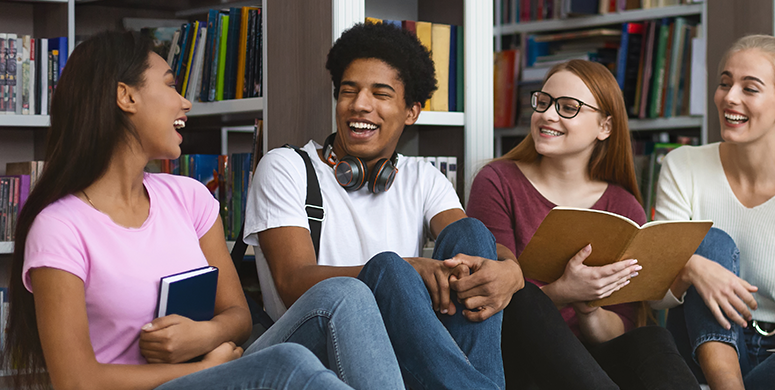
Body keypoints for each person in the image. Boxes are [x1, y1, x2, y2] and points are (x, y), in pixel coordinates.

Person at [1, 30, 404, 390]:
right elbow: (76, 380)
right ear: (126, 97)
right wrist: (198, 371)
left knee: (344, 293)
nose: (186, 102)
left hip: (213, 365)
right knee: (287, 362)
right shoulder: (59, 226)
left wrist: (204, 335)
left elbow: (239, 316)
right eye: (172, 86)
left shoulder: (189, 197)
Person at [243, 21, 522, 390]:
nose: (360, 105)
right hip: (311, 344)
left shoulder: (421, 176)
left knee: (470, 232)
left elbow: (475, 246)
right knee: (388, 269)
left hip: (396, 349)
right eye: (348, 91)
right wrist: (403, 270)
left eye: (381, 94)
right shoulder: (286, 167)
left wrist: (512, 272)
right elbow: (292, 282)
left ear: (411, 112)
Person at [466, 59, 699, 390]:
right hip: (517, 360)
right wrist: (564, 292)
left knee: (652, 339)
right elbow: (497, 305)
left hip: (588, 364)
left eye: (568, 108)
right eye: (543, 102)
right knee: (522, 293)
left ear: (605, 126)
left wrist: (589, 308)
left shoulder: (624, 207)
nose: (548, 115)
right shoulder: (497, 182)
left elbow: (622, 326)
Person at [651, 35, 775, 390]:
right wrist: (693, 268)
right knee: (709, 242)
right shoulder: (683, 166)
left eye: (749, 88)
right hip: (701, 345)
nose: (730, 97)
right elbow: (655, 296)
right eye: (725, 83)